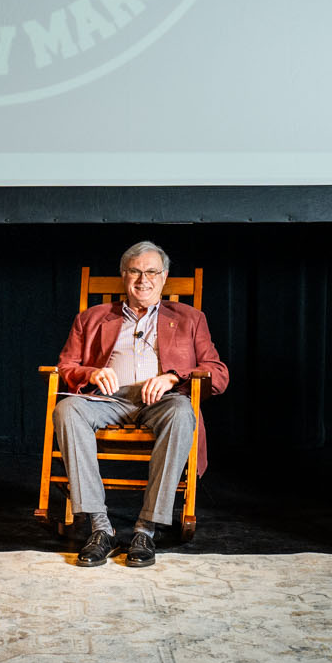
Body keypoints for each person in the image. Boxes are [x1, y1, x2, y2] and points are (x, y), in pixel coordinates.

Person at [53, 241, 229, 567]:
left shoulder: (191, 318)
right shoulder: (91, 318)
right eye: (135, 271)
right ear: (124, 275)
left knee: (182, 412)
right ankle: (99, 528)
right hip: (107, 398)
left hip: (163, 400)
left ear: (163, 277)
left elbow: (217, 373)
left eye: (151, 272)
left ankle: (146, 529)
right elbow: (66, 366)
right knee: (67, 409)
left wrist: (174, 377)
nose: (142, 280)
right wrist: (93, 371)